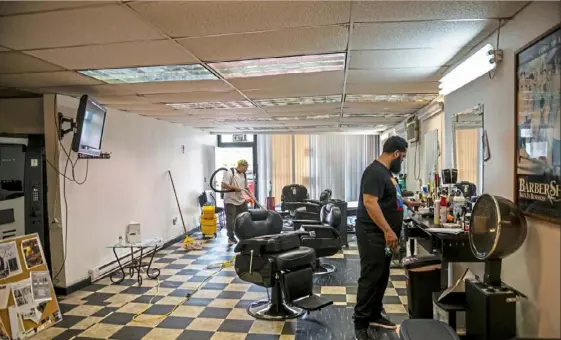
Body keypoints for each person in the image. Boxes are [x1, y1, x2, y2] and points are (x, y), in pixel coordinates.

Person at [353, 136, 423, 340]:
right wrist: (387, 230)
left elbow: (387, 197)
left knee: (382, 275)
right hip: (372, 235)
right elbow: (370, 203)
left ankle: (374, 313)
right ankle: (360, 322)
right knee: (370, 276)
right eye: (402, 157)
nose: (401, 161)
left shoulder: (386, 173)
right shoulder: (374, 172)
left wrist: (406, 203)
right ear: (396, 153)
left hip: (384, 238)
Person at [221, 159, 250, 245]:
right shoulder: (230, 173)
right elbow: (223, 185)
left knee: (245, 217)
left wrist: (248, 197)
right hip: (230, 200)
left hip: (241, 200)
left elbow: (246, 188)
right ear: (241, 166)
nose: (246, 170)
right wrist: (235, 188)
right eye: (245, 168)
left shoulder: (244, 175)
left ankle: (244, 235)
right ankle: (231, 237)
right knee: (231, 220)